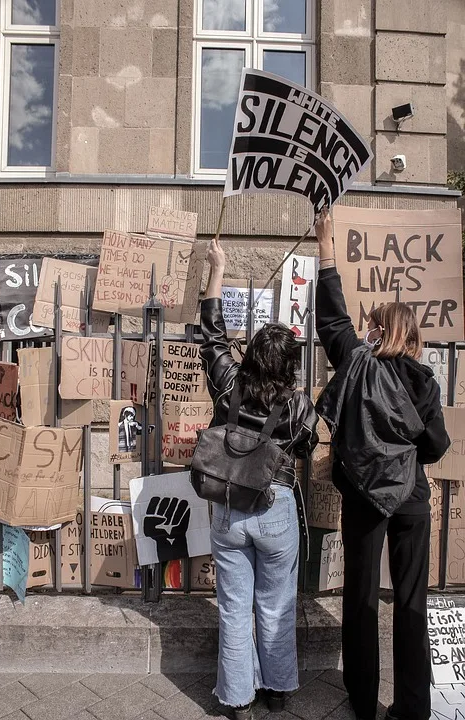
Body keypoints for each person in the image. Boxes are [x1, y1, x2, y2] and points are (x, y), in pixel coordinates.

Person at [314, 207, 450, 720]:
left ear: (377, 332)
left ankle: (364, 702)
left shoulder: (356, 362)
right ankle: (414, 706)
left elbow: (332, 320)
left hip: (365, 499)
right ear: (411, 334)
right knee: (412, 604)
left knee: (362, 598)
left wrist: (326, 248)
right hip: (412, 500)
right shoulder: (424, 381)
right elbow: (435, 446)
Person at [200, 237, 319, 720]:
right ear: (289, 364)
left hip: (229, 508)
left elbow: (210, 334)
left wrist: (218, 268)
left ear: (248, 355)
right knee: (275, 606)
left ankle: (238, 699)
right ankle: (278, 689)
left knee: (233, 607)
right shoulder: (296, 405)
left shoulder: (228, 383)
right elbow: (309, 448)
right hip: (275, 508)